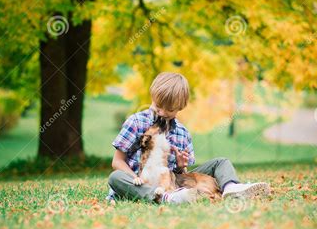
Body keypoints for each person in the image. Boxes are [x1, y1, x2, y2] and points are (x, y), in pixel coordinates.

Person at [107, 72, 270, 204]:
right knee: (115, 178)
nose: (162, 113)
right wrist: (135, 179)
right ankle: (163, 198)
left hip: (171, 183)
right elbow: (117, 162)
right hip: (138, 182)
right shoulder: (136, 122)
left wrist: (180, 166)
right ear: (152, 97)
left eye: (169, 110)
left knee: (221, 162)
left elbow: (181, 176)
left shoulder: (182, 132)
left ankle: (231, 188)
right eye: (158, 106)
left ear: (180, 107)